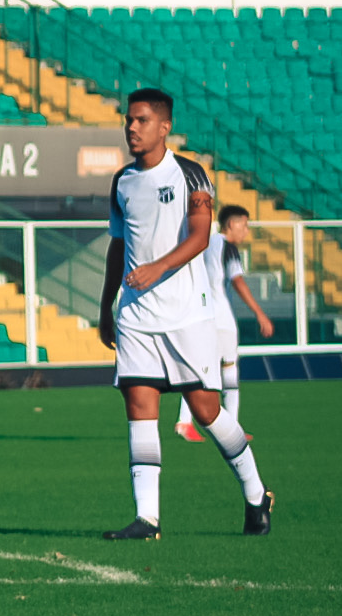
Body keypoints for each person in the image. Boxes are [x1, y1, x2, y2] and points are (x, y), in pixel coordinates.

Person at [98, 90, 272, 540]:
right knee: (139, 405)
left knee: (206, 410)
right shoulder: (121, 182)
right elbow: (118, 248)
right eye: (128, 121)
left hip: (187, 317)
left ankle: (256, 494)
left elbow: (199, 237)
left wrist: (156, 268)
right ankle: (147, 518)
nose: (131, 128)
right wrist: (106, 306)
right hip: (136, 317)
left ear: (163, 127)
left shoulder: (192, 174)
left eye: (140, 120)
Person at [175, 203, 274, 442]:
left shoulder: (206, 244)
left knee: (201, 371)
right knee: (229, 372)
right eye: (245, 225)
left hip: (202, 316)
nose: (246, 231)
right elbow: (237, 280)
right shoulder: (228, 248)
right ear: (232, 224)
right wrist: (260, 313)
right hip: (222, 319)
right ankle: (232, 428)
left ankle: (184, 421)